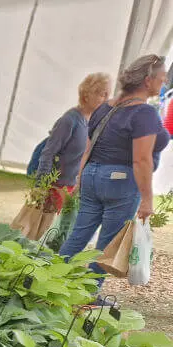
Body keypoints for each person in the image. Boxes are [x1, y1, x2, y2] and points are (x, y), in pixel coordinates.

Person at [60, 54, 170, 275]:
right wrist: (147, 200)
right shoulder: (144, 112)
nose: (164, 83)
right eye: (162, 78)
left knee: (78, 236)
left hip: (92, 175)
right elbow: (141, 159)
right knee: (107, 245)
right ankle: (89, 296)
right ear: (148, 80)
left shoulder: (105, 107)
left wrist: (82, 178)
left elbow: (88, 148)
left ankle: (44, 281)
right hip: (121, 181)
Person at [35, 73, 111, 212]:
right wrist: (41, 188)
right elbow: (48, 153)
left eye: (107, 94)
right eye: (100, 93)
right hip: (56, 189)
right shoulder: (70, 120)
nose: (105, 98)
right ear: (86, 94)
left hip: (75, 191)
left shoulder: (94, 123)